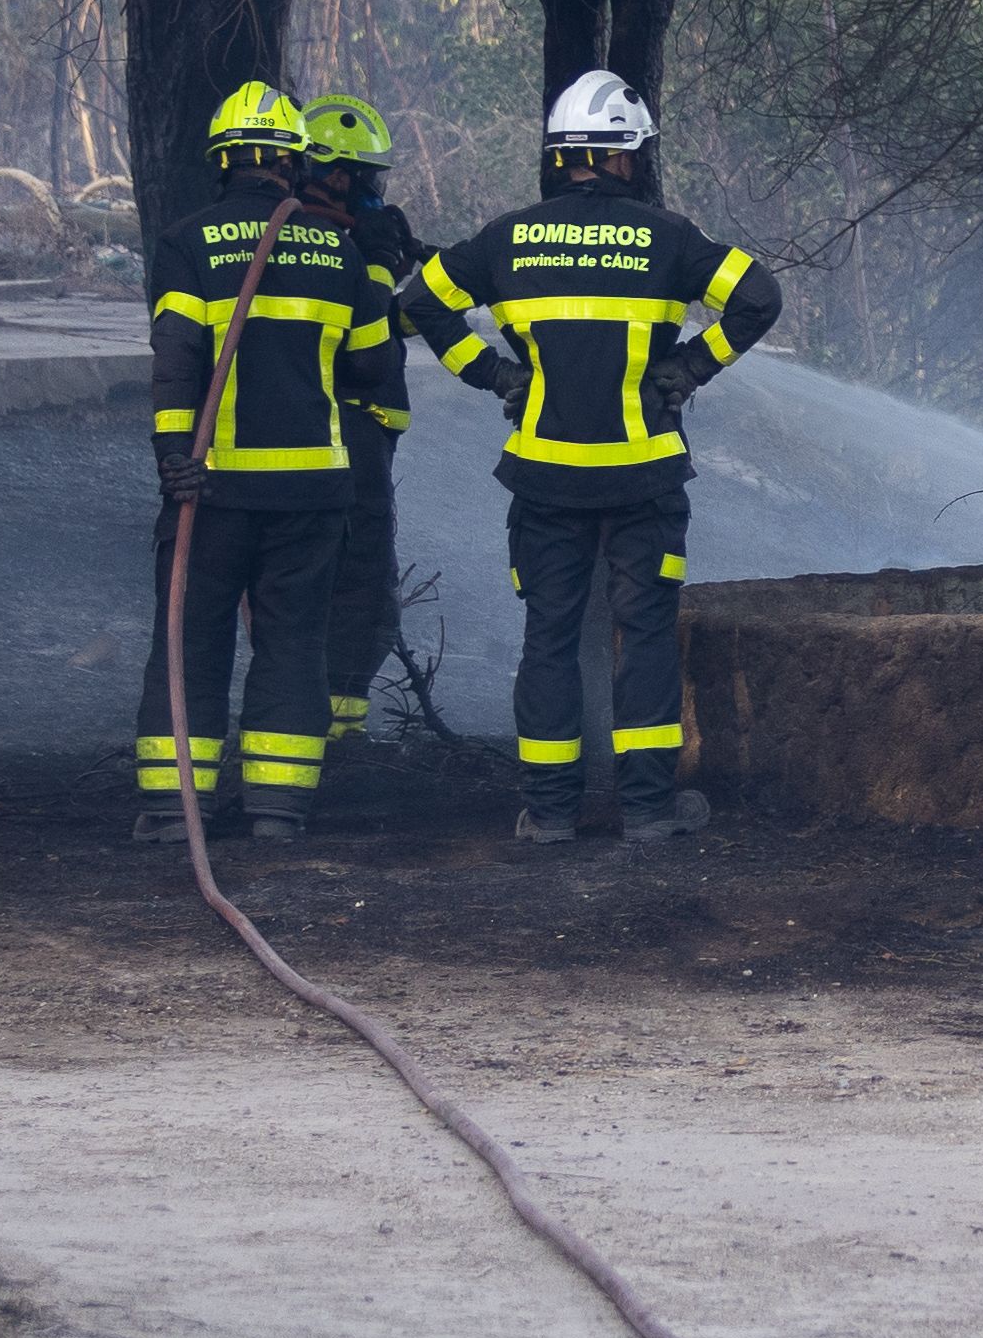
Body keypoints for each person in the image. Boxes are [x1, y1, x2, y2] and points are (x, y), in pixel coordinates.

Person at [414, 71, 780, 843]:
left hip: (544, 475)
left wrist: (497, 375)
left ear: (562, 157)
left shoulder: (507, 237)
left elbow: (419, 302)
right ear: (624, 158)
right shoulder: (669, 237)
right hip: (643, 474)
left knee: (548, 633)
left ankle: (548, 813)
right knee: (643, 632)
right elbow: (758, 296)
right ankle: (647, 810)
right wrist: (691, 366)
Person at [135, 80, 390, 844]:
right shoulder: (338, 250)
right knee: (294, 643)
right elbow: (373, 369)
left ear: (222, 163)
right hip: (312, 495)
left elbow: (176, 361)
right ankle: (277, 811)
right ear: (292, 163)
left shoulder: (187, 243)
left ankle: (172, 812)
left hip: (210, 491)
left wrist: (175, 458)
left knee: (191, 639)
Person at [296, 91, 422, 751]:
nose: (375, 192)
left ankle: (332, 726)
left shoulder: (321, 240)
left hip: (339, 438)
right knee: (361, 588)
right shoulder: (333, 247)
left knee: (337, 587)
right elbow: (366, 353)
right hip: (348, 436)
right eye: (369, 177)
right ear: (337, 173)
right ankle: (337, 735)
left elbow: (379, 324)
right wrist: (376, 263)